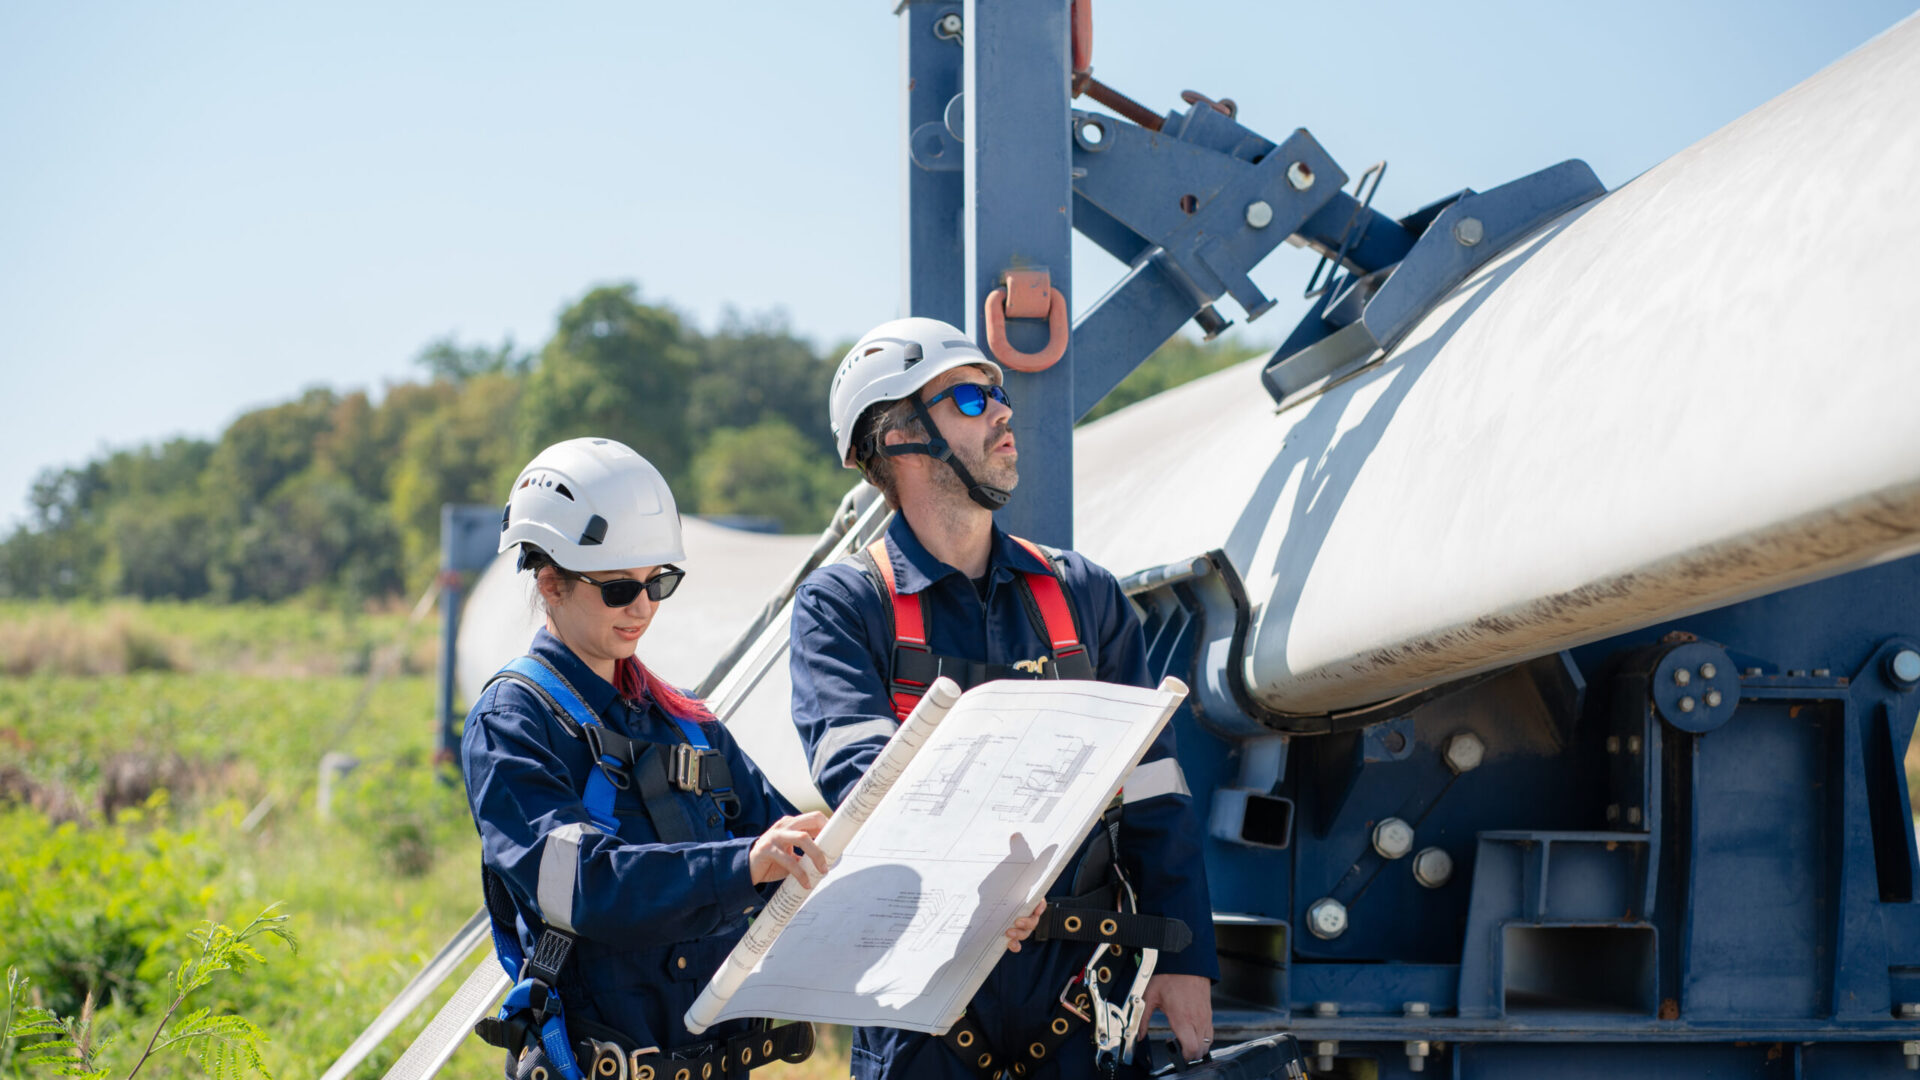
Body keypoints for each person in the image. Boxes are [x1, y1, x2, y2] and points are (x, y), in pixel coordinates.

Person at [462, 437, 1043, 1080]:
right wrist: (741, 864)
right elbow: (580, 889)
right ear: (550, 582)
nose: (644, 607)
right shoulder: (513, 724)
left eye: (661, 581)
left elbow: (815, 869)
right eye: (619, 587)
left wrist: (970, 912)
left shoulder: (688, 725)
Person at [790, 319, 1220, 1080]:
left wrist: (1187, 953)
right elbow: (863, 778)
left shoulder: (1083, 595)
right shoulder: (846, 604)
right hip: (922, 1005)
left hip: (1077, 996)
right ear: (896, 438)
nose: (1001, 411)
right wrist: (977, 890)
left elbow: (1154, 789)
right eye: (967, 396)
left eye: (998, 392)